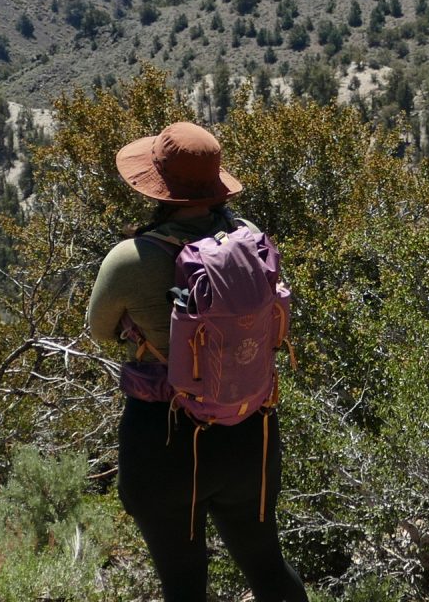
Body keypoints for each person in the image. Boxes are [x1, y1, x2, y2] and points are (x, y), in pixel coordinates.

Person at [87, 123, 307, 602]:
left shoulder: (130, 259)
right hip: (250, 429)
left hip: (164, 436)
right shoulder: (251, 240)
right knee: (267, 566)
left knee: (184, 585)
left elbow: (99, 330)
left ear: (157, 186)